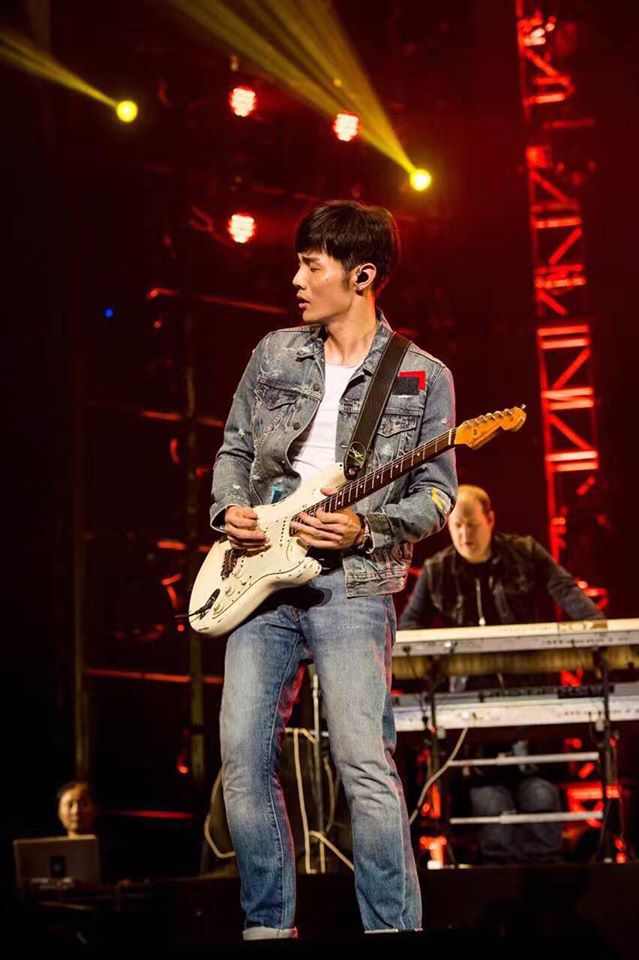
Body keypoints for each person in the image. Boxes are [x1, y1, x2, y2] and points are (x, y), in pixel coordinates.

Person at [209, 200, 457, 939]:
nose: (296, 279)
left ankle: (391, 931)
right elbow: (233, 449)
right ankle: (267, 928)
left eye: (310, 266)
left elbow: (437, 495)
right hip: (259, 576)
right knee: (242, 762)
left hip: (353, 584)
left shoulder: (422, 376)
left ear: (361, 275)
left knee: (363, 765)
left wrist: (365, 526)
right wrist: (230, 510)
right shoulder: (273, 353)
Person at [399, 483, 605, 864]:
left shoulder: (524, 552)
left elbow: (565, 589)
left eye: (472, 524)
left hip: (530, 704)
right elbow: (409, 629)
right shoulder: (438, 569)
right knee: (490, 806)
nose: (464, 534)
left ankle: (548, 885)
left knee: (539, 797)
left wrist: (600, 633)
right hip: (471, 718)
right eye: (457, 526)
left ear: (490, 519)